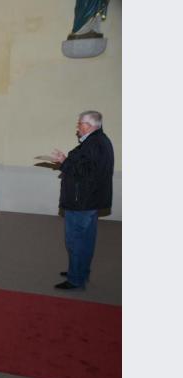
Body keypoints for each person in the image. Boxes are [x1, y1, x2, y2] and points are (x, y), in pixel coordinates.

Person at [50, 110, 114, 290]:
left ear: (88, 125)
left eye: (79, 124)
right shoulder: (99, 141)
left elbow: (86, 173)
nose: (77, 127)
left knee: (75, 240)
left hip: (82, 201)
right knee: (85, 240)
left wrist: (64, 162)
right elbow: (87, 167)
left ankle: (75, 279)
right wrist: (66, 161)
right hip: (88, 200)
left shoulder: (94, 144)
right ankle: (79, 271)